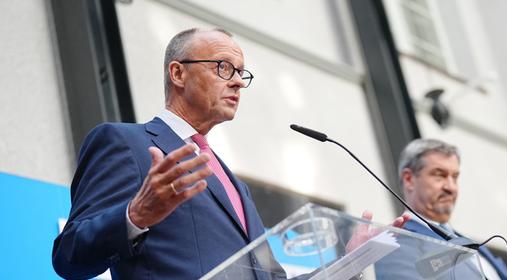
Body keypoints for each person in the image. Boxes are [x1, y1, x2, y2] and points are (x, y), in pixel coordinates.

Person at [52, 28, 406, 279]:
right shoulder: (124, 142)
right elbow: (70, 257)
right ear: (178, 73)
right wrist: (136, 214)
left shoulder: (236, 186)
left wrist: (350, 261)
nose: (237, 81)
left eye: (241, 73)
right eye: (223, 67)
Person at [375, 139, 507, 280]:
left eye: (455, 177)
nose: (451, 187)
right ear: (409, 179)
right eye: (439, 175)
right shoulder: (394, 245)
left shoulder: (473, 244)